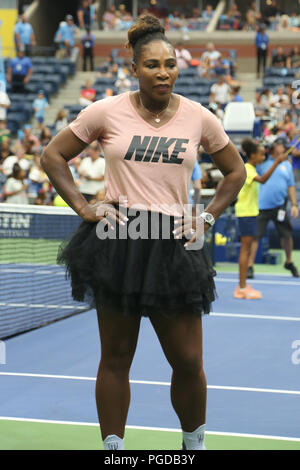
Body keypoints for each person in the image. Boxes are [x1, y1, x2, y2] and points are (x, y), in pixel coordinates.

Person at [41, 14, 246, 451]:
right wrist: (82, 205)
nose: (163, 72)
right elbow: (53, 155)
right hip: (118, 240)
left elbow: (235, 172)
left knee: (188, 361)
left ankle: (193, 447)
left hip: (174, 241)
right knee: (115, 359)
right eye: (152, 65)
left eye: (170, 64)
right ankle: (114, 451)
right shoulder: (105, 111)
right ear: (134, 68)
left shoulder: (199, 117)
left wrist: (206, 217)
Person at [234, 139, 285, 299]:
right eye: (261, 154)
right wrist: (276, 163)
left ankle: (242, 285)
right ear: (253, 155)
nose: (263, 157)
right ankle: (241, 288)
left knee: (247, 250)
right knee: (245, 250)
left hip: (250, 213)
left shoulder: (251, 168)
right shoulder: (248, 169)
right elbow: (263, 180)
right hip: (246, 214)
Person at [248, 140, 299, 278]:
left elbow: (291, 186)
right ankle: (250, 265)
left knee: (287, 235)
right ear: (274, 147)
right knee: (255, 237)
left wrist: (294, 205)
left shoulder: (287, 165)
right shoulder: (261, 162)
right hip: (261, 207)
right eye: (282, 145)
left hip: (280, 206)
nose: (284, 148)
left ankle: (288, 262)